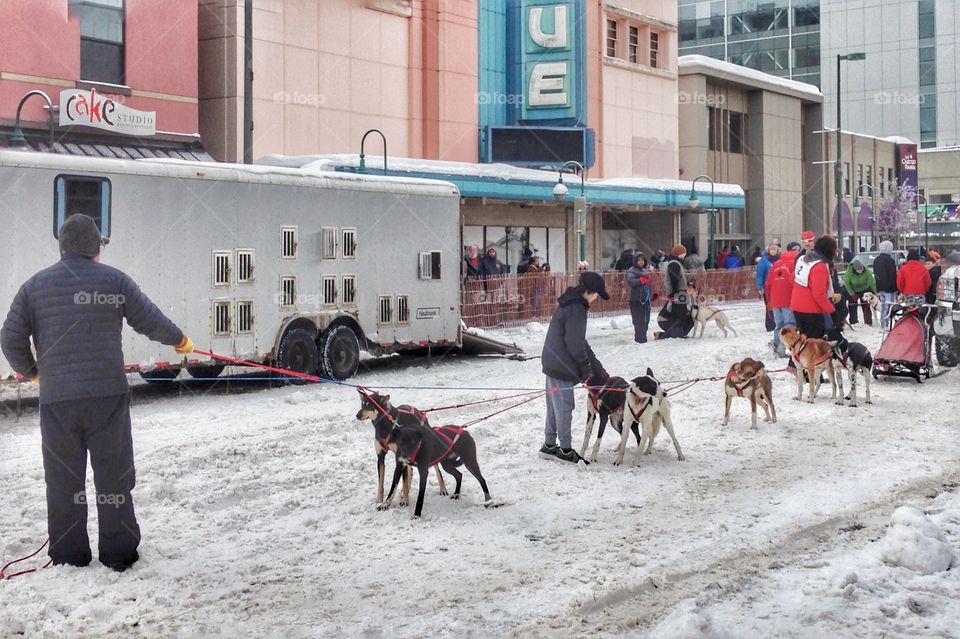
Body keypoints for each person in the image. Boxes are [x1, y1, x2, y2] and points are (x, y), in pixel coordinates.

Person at [0, 214, 193, 572]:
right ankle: (118, 554)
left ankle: (69, 556)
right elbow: (149, 318)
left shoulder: (33, 286)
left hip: (58, 402)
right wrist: (179, 340)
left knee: (62, 480)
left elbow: (9, 337)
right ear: (93, 248)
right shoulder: (114, 280)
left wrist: (34, 373)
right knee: (113, 475)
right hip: (106, 397)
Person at [539, 271, 608, 463]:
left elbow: (580, 341)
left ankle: (549, 445)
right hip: (562, 365)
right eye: (596, 294)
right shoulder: (577, 308)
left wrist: (595, 366)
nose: (595, 298)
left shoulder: (569, 303)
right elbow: (575, 343)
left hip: (552, 362)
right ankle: (566, 450)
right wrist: (586, 370)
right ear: (589, 291)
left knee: (554, 405)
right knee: (564, 407)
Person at [790, 234, 838, 340]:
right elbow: (819, 294)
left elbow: (792, 279)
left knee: (802, 341)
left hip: (797, 306)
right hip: (811, 309)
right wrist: (832, 311)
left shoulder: (802, 259)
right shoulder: (819, 266)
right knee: (813, 343)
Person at [765, 241, 799, 357]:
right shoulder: (795, 264)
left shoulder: (775, 264)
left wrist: (769, 300)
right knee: (789, 324)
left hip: (775, 301)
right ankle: (786, 347)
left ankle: (777, 346)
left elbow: (768, 284)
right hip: (788, 300)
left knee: (779, 325)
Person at [657, 244, 694, 339]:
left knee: (682, 313)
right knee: (680, 314)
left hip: (680, 293)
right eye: (683, 254)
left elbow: (679, 279)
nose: (684, 256)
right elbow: (674, 280)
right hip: (679, 293)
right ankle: (675, 334)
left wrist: (688, 284)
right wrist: (675, 295)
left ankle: (679, 333)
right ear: (680, 254)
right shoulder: (674, 264)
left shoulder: (675, 263)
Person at [626, 253, 653, 343]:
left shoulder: (644, 271)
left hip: (646, 299)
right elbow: (630, 281)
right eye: (639, 260)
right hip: (637, 299)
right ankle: (640, 339)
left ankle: (643, 337)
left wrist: (651, 296)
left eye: (642, 260)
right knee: (639, 320)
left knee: (646, 319)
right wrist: (640, 281)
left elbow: (649, 285)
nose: (641, 262)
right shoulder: (632, 271)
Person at [843, 258, 877, 326]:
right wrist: (852, 294)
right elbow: (846, 283)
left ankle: (868, 322)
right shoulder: (849, 273)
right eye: (858, 270)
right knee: (852, 306)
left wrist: (876, 292)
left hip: (864, 289)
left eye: (861, 269)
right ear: (855, 269)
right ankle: (853, 322)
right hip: (853, 289)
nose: (860, 271)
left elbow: (872, 282)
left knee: (865, 305)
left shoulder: (866, 271)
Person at [873, 240, 898, 330]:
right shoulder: (890, 261)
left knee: (883, 306)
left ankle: (883, 323)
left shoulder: (876, 260)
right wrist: (896, 288)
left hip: (880, 288)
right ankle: (887, 323)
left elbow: (876, 274)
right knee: (890, 306)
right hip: (890, 289)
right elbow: (893, 275)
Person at [756, 244, 780, 332]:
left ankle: (778, 323)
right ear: (768, 250)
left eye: (775, 249)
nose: (773, 251)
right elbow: (759, 274)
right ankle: (770, 325)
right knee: (770, 306)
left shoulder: (779, 260)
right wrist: (760, 286)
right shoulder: (764, 261)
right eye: (771, 249)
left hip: (778, 287)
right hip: (767, 288)